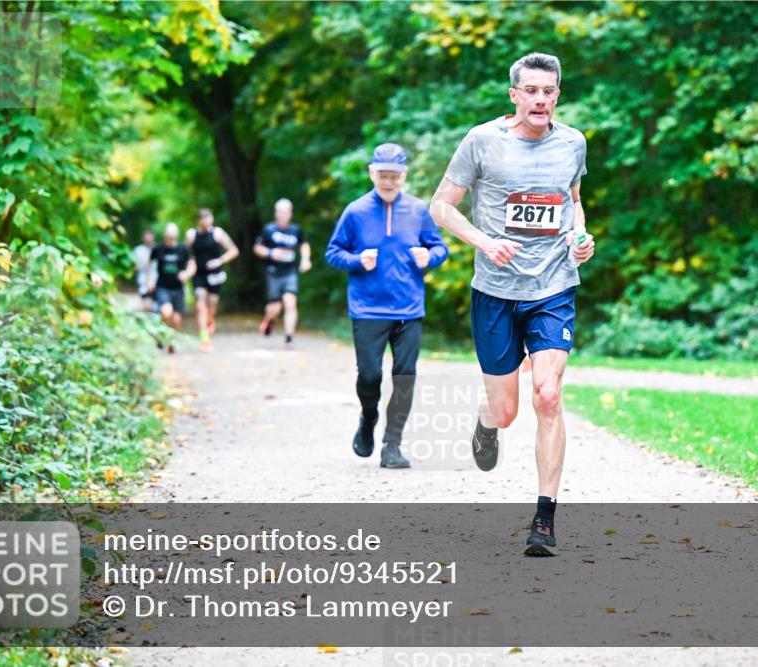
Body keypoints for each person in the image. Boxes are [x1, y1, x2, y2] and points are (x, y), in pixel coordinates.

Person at [429, 53, 596, 555]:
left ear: (558, 94)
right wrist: (484, 241)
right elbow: (441, 206)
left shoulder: (572, 143)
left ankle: (543, 520)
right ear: (515, 96)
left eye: (549, 91)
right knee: (507, 412)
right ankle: (486, 419)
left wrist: (580, 236)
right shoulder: (483, 141)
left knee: (548, 394)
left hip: (553, 286)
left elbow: (573, 200)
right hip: (496, 292)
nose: (541, 99)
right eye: (532, 91)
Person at [325, 143, 448, 469]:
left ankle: (392, 445)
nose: (388, 181)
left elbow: (439, 249)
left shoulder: (418, 210)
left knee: (405, 377)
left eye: (394, 175)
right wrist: (355, 260)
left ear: (404, 175)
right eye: (383, 175)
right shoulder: (355, 212)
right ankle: (368, 418)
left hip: (409, 309)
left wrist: (430, 257)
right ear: (372, 173)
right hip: (367, 309)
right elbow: (333, 252)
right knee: (369, 376)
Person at [254, 199, 311, 350]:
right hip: (273, 272)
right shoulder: (269, 229)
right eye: (280, 212)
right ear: (276, 213)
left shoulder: (295, 230)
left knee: (290, 302)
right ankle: (270, 319)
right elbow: (257, 248)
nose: (283, 215)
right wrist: (271, 252)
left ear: (290, 213)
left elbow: (304, 244)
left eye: (286, 212)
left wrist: (305, 260)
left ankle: (289, 338)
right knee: (275, 307)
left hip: (290, 272)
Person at [186, 208, 239, 353]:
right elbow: (186, 253)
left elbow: (234, 250)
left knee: (212, 304)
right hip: (199, 274)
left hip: (215, 274)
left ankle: (210, 320)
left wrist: (220, 261)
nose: (206, 221)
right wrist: (190, 265)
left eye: (208, 218)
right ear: (199, 221)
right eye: (203, 219)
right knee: (200, 303)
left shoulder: (218, 233)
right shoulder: (192, 235)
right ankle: (204, 337)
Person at [148, 223, 196, 353]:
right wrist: (150, 281)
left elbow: (192, 266)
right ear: (165, 236)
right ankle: (160, 334)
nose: (171, 239)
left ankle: (171, 340)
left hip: (178, 288)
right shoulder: (158, 249)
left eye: (173, 237)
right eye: (169, 236)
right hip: (162, 286)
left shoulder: (183, 249)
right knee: (166, 311)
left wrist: (186, 274)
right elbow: (150, 265)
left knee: (176, 320)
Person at [132, 228, 157, 312]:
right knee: (148, 306)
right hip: (143, 282)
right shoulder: (137, 250)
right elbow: (133, 267)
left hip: (158, 281)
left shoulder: (158, 248)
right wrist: (144, 264)